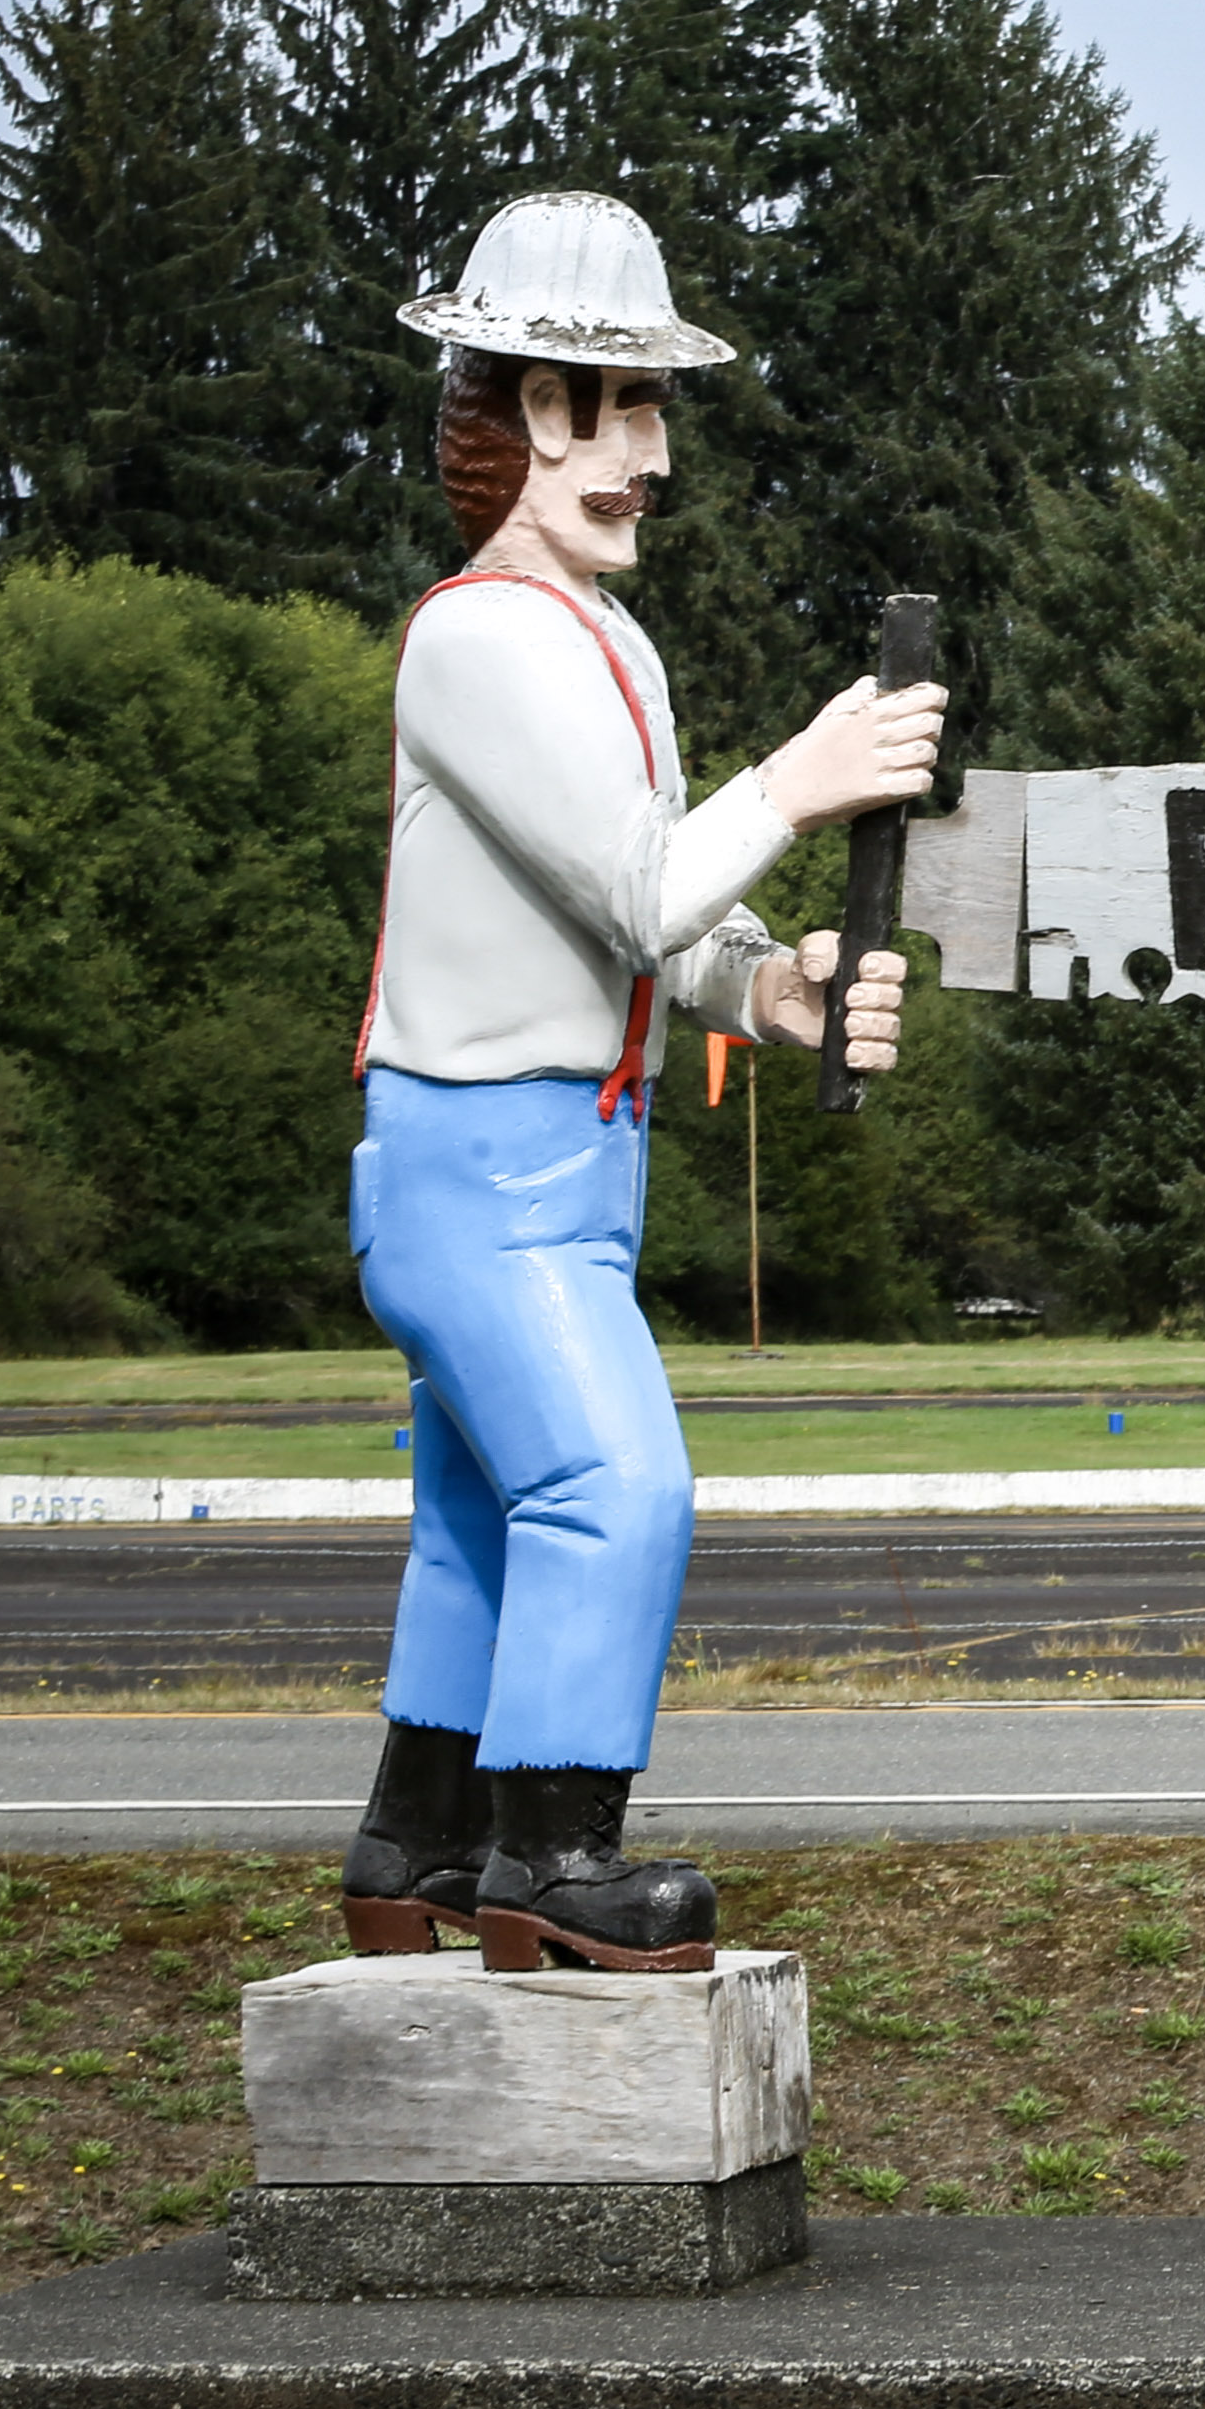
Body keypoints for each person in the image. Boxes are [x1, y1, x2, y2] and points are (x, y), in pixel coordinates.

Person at [341, 189, 948, 1973]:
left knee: (482, 1524)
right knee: (615, 1488)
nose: (652, 459)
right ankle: (558, 1863)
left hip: (556, 1163)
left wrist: (773, 981)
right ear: (531, 411)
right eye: (623, 412)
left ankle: (420, 1843)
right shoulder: (478, 640)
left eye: (654, 415)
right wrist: (811, 773)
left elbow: (660, 921)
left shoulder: (609, 646)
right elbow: (636, 882)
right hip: (483, 1164)